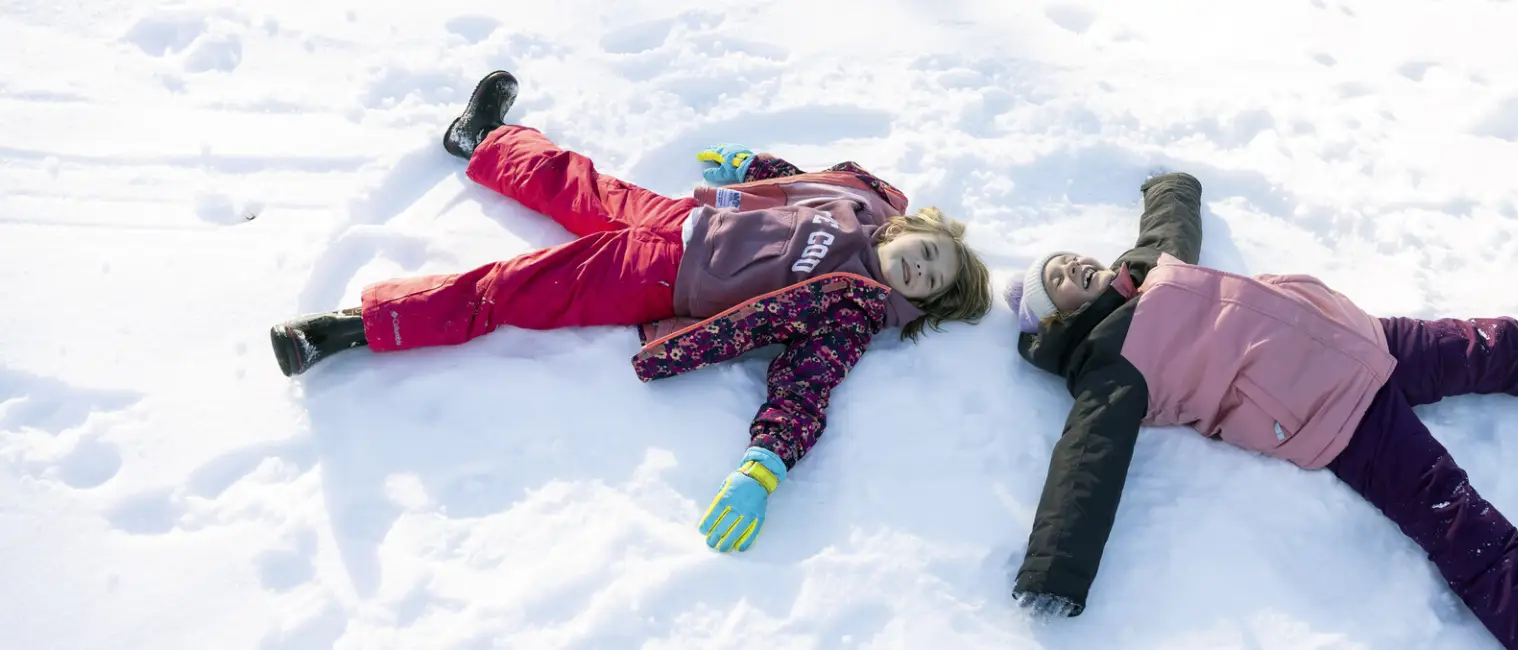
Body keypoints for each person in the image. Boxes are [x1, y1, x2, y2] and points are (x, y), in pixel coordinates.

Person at [267, 70, 993, 553]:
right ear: (916, 229)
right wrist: (751, 168)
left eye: (929, 281)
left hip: (665, 275)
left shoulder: (854, 310)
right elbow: (802, 184)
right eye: (930, 252)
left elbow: (807, 383)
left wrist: (765, 464)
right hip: (682, 215)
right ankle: (480, 140)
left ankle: (352, 328)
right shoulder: (865, 205)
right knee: (572, 182)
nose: (921, 267)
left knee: (516, 286)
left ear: (917, 302)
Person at [1000, 171, 1518, 649]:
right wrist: (1054, 574)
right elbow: (1086, 466)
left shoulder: (1148, 268)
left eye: (1064, 259)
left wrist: (1169, 182)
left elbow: (1171, 215)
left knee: (1496, 343)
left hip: (1359, 337)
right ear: (1057, 322)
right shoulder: (1110, 369)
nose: (1069, 269)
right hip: (1332, 410)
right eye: (1055, 282)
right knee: (1455, 517)